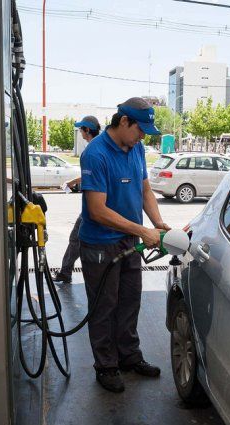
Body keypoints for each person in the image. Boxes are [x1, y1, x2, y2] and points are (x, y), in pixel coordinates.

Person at [79, 97, 170, 393]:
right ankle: (106, 365)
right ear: (123, 122)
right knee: (105, 307)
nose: (143, 135)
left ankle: (129, 356)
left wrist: (157, 223)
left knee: (130, 301)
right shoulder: (96, 154)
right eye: (140, 129)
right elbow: (97, 210)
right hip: (101, 246)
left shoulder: (137, 148)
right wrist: (141, 229)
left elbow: (145, 190)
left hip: (130, 241)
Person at [52, 115, 101, 284]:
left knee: (77, 238)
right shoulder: (100, 147)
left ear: (87, 130)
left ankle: (67, 273)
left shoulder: (92, 150)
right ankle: (67, 272)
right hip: (98, 206)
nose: (80, 132)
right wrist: (73, 182)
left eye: (81, 129)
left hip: (93, 207)